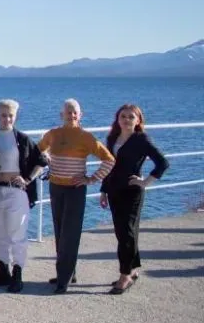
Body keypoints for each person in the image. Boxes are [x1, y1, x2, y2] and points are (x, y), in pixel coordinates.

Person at [37, 99, 115, 295]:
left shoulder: (86, 137)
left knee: (70, 235)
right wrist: (46, 160)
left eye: (75, 113)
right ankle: (67, 273)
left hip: (75, 191)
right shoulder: (53, 134)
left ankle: (62, 280)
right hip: (56, 187)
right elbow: (37, 151)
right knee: (59, 231)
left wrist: (91, 179)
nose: (71, 115)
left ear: (80, 115)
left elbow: (109, 160)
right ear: (61, 114)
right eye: (68, 112)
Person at [100, 104, 169, 294]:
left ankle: (125, 275)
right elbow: (108, 166)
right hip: (114, 191)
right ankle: (133, 269)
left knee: (126, 233)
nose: (127, 120)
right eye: (123, 116)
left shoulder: (141, 140)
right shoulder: (112, 138)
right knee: (123, 233)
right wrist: (103, 191)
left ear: (138, 120)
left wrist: (146, 181)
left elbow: (162, 162)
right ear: (118, 119)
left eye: (131, 117)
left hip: (132, 192)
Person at [0, 100, 47, 293]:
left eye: (10, 115)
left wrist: (28, 178)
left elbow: (41, 161)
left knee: (17, 234)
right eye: (3, 115)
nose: (6, 119)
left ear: (15, 116)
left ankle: (17, 273)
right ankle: (2, 270)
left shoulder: (22, 139)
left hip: (16, 191)